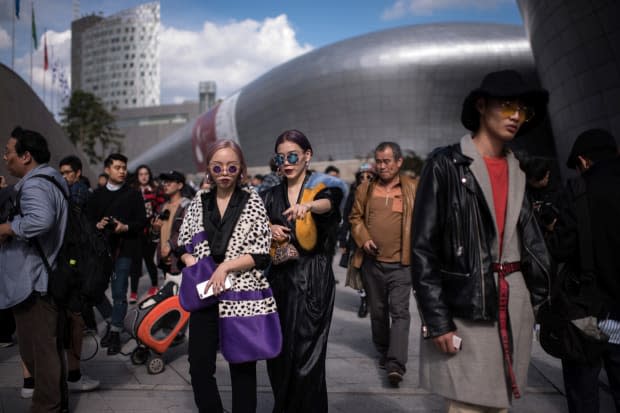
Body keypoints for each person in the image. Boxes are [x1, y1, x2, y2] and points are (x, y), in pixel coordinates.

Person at [411, 69, 552, 412]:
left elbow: (530, 240)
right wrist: (437, 319)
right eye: (506, 106)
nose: (516, 116)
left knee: (501, 404)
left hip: (514, 301)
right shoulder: (446, 164)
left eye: (523, 110)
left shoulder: (520, 169)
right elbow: (423, 248)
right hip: (469, 300)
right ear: (480, 105)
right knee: (469, 404)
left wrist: (535, 300)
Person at [178, 140, 274, 413]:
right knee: (199, 366)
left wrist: (225, 266)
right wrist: (189, 260)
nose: (224, 172)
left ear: (240, 169)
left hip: (241, 293)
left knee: (242, 366)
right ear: (209, 168)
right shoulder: (199, 201)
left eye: (231, 166)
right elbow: (183, 244)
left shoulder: (252, 199)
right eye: (218, 166)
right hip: (206, 291)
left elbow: (261, 252)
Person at [260, 129, 347, 412]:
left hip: (313, 282)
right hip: (278, 284)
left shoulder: (321, 187)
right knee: (279, 356)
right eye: (280, 157)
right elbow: (252, 230)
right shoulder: (270, 194)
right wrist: (268, 229)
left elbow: (330, 203)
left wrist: (308, 205)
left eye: (293, 155)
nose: (286, 162)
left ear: (307, 156)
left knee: (306, 358)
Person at [546, 128, 620, 413]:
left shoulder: (577, 190)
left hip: (587, 312)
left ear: (584, 161)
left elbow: (561, 249)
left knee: (584, 395)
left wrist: (553, 228)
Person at [0, 126, 69, 412]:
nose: (5, 158)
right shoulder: (51, 180)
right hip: (43, 279)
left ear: (26, 156)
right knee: (45, 349)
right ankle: (56, 403)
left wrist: (7, 227)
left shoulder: (35, 184)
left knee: (39, 351)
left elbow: (41, 220)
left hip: (35, 283)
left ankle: (47, 407)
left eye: (8, 152)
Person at [349, 142, 417, 386]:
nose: (382, 166)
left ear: (399, 162)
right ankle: (383, 350)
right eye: (379, 161)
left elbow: (422, 223)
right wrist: (364, 239)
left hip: (402, 265)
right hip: (372, 264)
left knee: (400, 312)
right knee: (378, 312)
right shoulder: (365, 189)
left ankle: (396, 363)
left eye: (387, 161)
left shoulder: (412, 188)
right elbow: (354, 217)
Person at [86, 153, 147, 355]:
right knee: (93, 290)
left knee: (120, 293)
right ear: (107, 169)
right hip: (102, 251)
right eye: (117, 167)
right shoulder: (96, 195)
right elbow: (87, 222)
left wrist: (125, 227)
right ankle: (115, 322)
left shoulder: (133, 194)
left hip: (125, 250)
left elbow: (141, 222)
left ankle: (114, 332)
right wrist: (98, 224)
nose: (122, 171)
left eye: (124, 167)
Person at [57, 155, 101, 392]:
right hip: (71, 264)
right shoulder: (66, 194)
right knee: (72, 320)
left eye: (67, 173)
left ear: (77, 173)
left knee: (74, 319)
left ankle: (72, 375)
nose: (64, 177)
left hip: (76, 264)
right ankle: (72, 375)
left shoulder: (79, 192)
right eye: (61, 173)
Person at [338, 163, 375, 318]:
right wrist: (342, 241)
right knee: (358, 272)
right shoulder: (353, 193)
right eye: (362, 176)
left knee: (374, 273)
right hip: (356, 240)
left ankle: (374, 298)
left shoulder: (381, 192)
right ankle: (364, 300)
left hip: (377, 240)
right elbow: (347, 218)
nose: (365, 179)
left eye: (369, 176)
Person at [129, 164, 164, 303]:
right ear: (137, 177)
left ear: (149, 175)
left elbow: (161, 208)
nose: (143, 176)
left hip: (150, 231)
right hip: (136, 232)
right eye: (141, 174)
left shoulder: (155, 190)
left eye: (146, 174)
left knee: (150, 260)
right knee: (135, 262)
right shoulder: (132, 191)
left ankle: (155, 285)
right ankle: (133, 292)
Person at [152, 170, 190, 277]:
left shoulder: (187, 205)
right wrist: (155, 229)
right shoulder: (161, 207)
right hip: (164, 261)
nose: (165, 185)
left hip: (180, 259)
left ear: (180, 185)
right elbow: (154, 238)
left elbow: (186, 231)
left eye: (170, 182)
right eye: (164, 182)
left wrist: (170, 245)